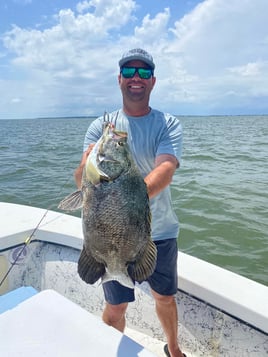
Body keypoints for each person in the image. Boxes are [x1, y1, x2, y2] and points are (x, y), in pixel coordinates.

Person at [74, 48, 185, 357]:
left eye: (145, 73)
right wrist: (87, 164)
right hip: (106, 239)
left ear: (153, 82)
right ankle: (108, 349)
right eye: (130, 72)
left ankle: (173, 349)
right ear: (119, 79)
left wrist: (124, 197)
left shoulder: (168, 124)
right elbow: (81, 181)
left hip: (159, 233)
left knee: (164, 298)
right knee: (116, 304)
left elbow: (165, 170)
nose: (137, 78)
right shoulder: (100, 126)